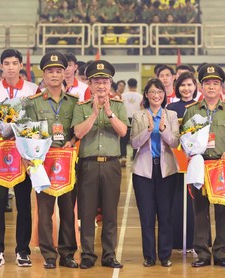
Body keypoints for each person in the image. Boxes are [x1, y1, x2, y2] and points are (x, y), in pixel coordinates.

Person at [182, 63, 225, 268]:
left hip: (222, 164)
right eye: (207, 83)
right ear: (201, 86)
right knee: (200, 210)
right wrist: (190, 152)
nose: (211, 87)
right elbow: (184, 137)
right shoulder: (191, 111)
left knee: (224, 210)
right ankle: (202, 253)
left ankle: (221, 253)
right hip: (200, 164)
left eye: (215, 83)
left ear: (221, 87)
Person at [71, 60, 129, 269]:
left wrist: (109, 113)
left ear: (110, 83)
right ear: (90, 83)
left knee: (110, 212)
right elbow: (77, 133)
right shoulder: (81, 107)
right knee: (86, 213)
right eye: (97, 81)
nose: (101, 86)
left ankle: (109, 255)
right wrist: (95, 114)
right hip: (88, 165)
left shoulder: (119, 106)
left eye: (105, 81)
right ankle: (87, 255)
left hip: (111, 165)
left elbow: (123, 132)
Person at [24, 51, 79, 269]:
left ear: (65, 73)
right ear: (44, 75)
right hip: (42, 163)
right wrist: (28, 159)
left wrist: (72, 141)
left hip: (67, 163)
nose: (54, 75)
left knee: (67, 210)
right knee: (45, 211)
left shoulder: (74, 102)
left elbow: (78, 131)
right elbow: (26, 132)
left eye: (58, 70)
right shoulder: (34, 103)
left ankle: (67, 253)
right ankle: (48, 254)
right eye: (50, 71)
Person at [0, 49, 38, 267]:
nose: (10, 67)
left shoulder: (32, 89)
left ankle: (22, 251)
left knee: (24, 203)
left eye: (14, 63)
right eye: (6, 63)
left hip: (23, 152)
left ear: (20, 66)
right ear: (1, 66)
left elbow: (36, 118)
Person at [131, 78, 179, 267]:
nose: (156, 95)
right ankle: (149, 256)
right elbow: (134, 143)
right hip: (143, 171)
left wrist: (163, 129)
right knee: (147, 214)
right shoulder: (138, 116)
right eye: (152, 92)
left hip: (167, 170)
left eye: (159, 92)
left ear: (164, 95)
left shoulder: (171, 115)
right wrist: (149, 130)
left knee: (165, 215)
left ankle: (165, 255)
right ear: (146, 95)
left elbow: (175, 143)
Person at [166, 71, 198, 250]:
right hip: (176, 162)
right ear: (177, 88)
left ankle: (196, 240)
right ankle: (176, 241)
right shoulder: (171, 108)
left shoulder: (200, 107)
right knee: (176, 201)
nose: (186, 89)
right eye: (183, 85)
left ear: (195, 87)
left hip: (196, 161)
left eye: (189, 85)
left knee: (196, 202)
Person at [121, 78, 143, 163]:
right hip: (136, 118)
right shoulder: (140, 96)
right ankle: (134, 158)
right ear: (136, 85)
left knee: (123, 140)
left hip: (125, 118)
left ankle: (123, 157)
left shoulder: (123, 95)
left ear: (128, 85)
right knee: (135, 139)